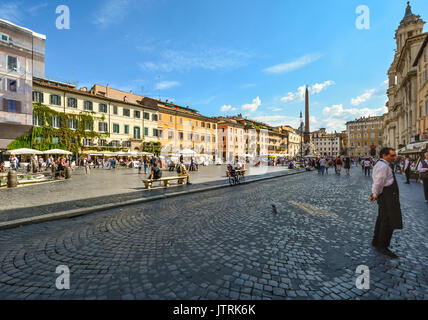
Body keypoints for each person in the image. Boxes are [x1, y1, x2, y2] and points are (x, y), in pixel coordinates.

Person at [370, 147, 402, 259]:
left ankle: (376, 241)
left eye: (394, 155)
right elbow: (378, 182)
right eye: (392, 155)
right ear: (384, 155)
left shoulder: (383, 164)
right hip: (387, 196)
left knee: (382, 218)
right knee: (388, 220)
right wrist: (375, 194)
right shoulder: (383, 166)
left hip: (387, 195)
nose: (394, 157)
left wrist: (375, 194)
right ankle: (382, 245)